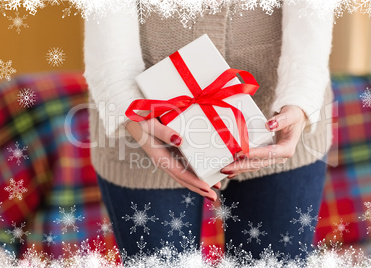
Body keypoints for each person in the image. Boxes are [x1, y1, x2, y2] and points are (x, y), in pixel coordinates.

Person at [83, 1, 334, 261]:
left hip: (281, 114)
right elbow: (109, 45)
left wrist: (300, 99)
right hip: (144, 118)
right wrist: (133, 114)